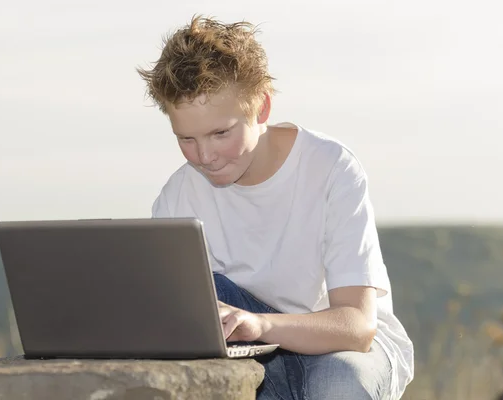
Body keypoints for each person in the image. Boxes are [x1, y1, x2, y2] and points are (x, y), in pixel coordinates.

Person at [137, 15, 414, 400]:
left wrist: (260, 325)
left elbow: (357, 326)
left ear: (262, 107)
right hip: (251, 353)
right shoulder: (176, 198)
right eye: (186, 138)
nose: (205, 156)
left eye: (221, 133)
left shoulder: (330, 168)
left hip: (339, 347)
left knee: (337, 388)